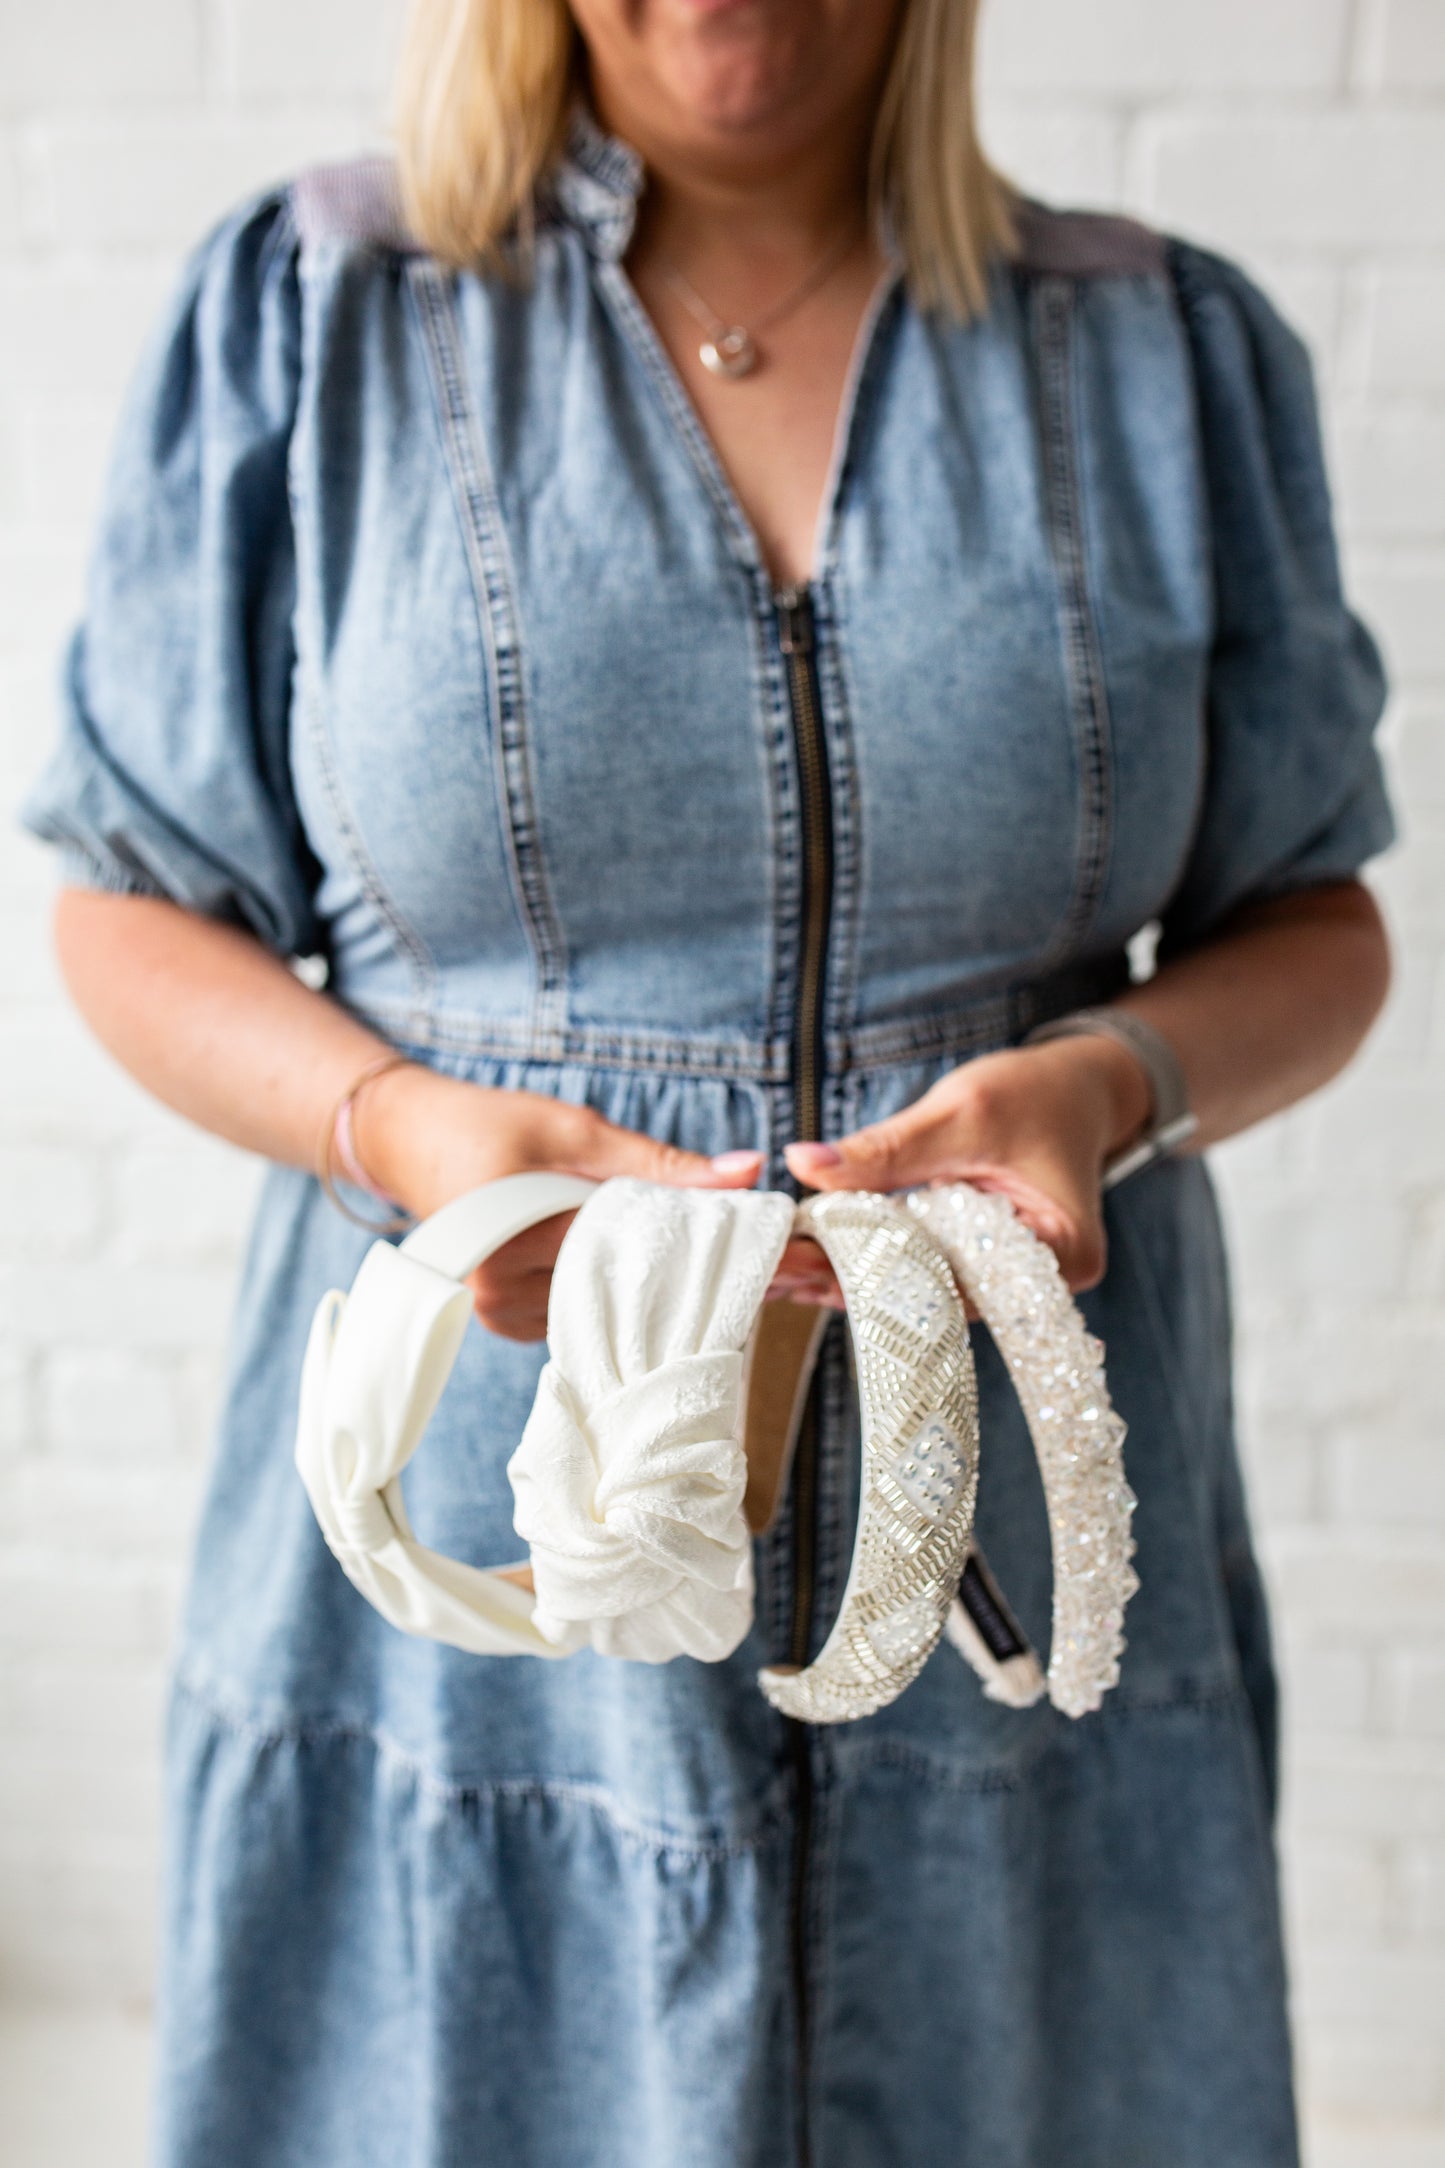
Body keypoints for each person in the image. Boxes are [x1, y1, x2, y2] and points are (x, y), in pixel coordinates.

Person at [18, 0, 1396, 2162]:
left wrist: (1104, 1082)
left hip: (1012, 1589)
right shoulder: (313, 315)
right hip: (471, 1594)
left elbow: (1316, 922)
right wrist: (411, 1133)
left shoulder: (1162, 352)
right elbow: (129, 900)